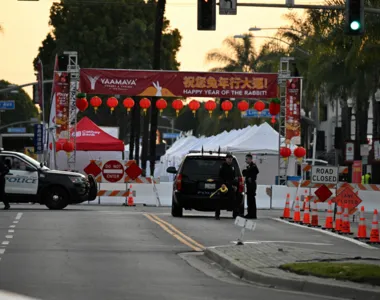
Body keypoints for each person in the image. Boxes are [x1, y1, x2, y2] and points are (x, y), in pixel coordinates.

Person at [217, 153, 238, 220]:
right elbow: (220, 177)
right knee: (220, 200)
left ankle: (235, 215)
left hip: (230, 185)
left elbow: (234, 177)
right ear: (226, 159)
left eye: (231, 159)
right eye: (229, 159)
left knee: (234, 199)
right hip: (224, 185)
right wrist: (222, 184)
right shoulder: (223, 166)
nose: (230, 160)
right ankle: (217, 215)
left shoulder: (233, 167)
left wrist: (234, 185)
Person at [242, 153, 259, 219]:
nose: (246, 160)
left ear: (250, 159)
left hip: (252, 184)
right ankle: (250, 213)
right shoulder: (249, 166)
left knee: (251, 199)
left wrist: (248, 173)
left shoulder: (253, 166)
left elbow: (256, 171)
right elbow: (244, 173)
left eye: (246, 159)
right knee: (249, 199)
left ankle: (253, 214)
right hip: (249, 184)